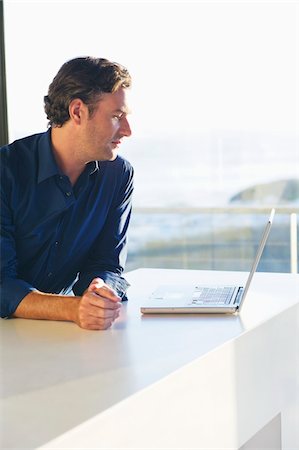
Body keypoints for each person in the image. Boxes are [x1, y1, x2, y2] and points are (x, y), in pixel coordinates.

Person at [0, 56, 134, 330]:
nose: (128, 130)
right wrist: (72, 309)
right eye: (116, 117)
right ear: (77, 112)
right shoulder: (6, 171)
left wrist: (100, 288)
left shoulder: (118, 176)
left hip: (52, 335)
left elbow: (107, 263)